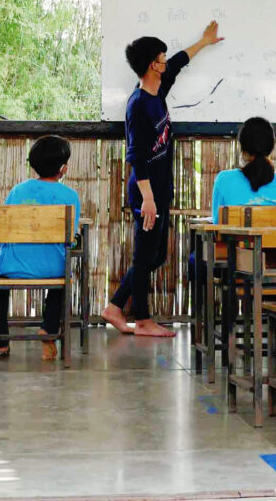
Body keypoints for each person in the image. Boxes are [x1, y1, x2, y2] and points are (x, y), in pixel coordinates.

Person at [102, 21, 224, 337]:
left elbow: (181, 61)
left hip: (160, 190)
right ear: (150, 66)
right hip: (146, 193)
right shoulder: (138, 105)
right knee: (145, 255)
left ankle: (115, 307)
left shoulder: (158, 92)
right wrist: (149, 199)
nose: (165, 62)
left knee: (156, 255)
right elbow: (136, 157)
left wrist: (204, 41)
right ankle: (141, 320)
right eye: (161, 59)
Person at [0, 135, 81, 361]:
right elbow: (70, 239)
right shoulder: (70, 196)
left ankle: (1, 341)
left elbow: (4, 228)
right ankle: (49, 328)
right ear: (63, 168)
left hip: (12, 268)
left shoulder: (17, 191)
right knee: (63, 277)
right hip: (51, 269)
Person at [211, 117, 276, 223]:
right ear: (271, 148)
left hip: (237, 240)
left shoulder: (224, 180)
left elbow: (217, 224)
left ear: (243, 151)